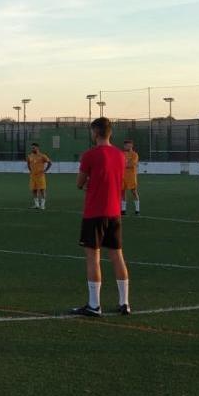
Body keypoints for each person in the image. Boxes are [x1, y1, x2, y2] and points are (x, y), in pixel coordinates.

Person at [71, 117, 130, 317]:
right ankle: (125, 302)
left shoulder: (90, 155)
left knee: (93, 257)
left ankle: (94, 305)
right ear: (110, 132)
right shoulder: (121, 156)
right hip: (114, 212)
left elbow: (80, 182)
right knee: (117, 256)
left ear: (95, 132)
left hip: (94, 212)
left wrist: (87, 184)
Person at [27, 142, 52, 210]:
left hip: (40, 176)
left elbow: (50, 163)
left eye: (33, 148)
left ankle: (43, 205)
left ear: (37, 148)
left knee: (42, 190)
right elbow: (28, 163)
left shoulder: (42, 156)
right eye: (32, 148)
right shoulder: (30, 156)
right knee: (34, 190)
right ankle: (37, 205)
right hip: (33, 176)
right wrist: (30, 170)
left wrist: (45, 170)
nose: (32, 149)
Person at [121, 139, 140, 216]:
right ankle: (123, 210)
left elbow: (131, 165)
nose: (126, 146)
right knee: (122, 193)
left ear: (131, 145)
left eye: (128, 145)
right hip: (122, 176)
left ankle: (137, 210)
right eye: (125, 145)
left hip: (131, 176)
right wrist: (126, 164)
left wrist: (124, 164)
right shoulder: (121, 154)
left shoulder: (134, 154)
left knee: (134, 192)